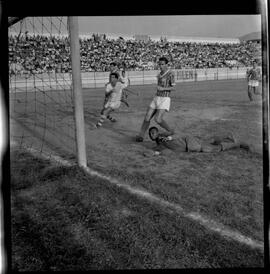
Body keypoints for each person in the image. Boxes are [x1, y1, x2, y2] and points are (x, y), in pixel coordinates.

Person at [135, 56, 176, 142]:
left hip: (165, 98)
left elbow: (173, 88)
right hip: (156, 97)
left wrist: (163, 89)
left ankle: (170, 131)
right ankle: (141, 135)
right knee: (147, 117)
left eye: (162, 64)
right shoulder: (159, 74)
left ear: (166, 64)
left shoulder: (171, 74)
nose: (160, 66)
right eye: (159, 64)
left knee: (158, 119)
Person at [147, 126, 254, 155]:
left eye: (153, 132)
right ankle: (227, 135)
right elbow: (162, 150)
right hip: (189, 143)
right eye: (150, 134)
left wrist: (170, 137)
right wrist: (156, 152)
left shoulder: (163, 135)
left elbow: (177, 133)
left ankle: (238, 144)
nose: (152, 135)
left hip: (190, 143)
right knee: (210, 140)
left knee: (213, 149)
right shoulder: (159, 143)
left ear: (157, 132)